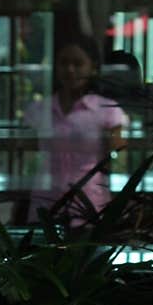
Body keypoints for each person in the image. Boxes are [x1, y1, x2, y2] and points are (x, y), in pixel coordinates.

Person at [24, 34, 128, 219]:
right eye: (64, 63)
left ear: (93, 67)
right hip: (46, 203)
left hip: (89, 204)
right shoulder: (38, 110)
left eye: (78, 64)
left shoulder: (108, 110)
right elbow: (28, 161)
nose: (70, 70)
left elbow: (119, 162)